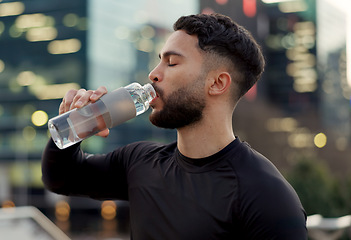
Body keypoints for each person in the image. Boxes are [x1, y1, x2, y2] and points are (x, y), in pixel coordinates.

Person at [42, 13, 307, 239]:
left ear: (217, 83)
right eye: (159, 60)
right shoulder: (139, 161)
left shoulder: (266, 196)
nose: (153, 74)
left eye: (171, 62)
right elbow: (62, 178)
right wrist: (73, 126)